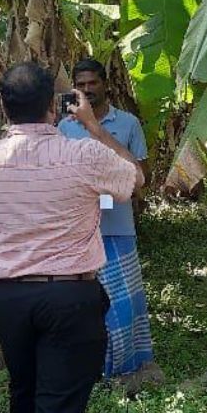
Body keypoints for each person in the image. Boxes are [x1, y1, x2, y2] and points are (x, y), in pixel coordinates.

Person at [0, 62, 143, 413]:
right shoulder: (82, 152)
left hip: (11, 297)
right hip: (70, 295)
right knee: (58, 402)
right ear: (53, 104)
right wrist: (94, 126)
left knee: (23, 389)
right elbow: (133, 178)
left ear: (3, 108)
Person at [58, 58, 158, 380]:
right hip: (78, 234)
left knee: (125, 304)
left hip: (118, 228)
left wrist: (94, 128)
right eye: (81, 84)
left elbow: (142, 176)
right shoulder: (63, 128)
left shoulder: (127, 124)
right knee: (85, 307)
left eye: (93, 83)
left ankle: (129, 365)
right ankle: (92, 369)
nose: (87, 89)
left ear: (105, 83)